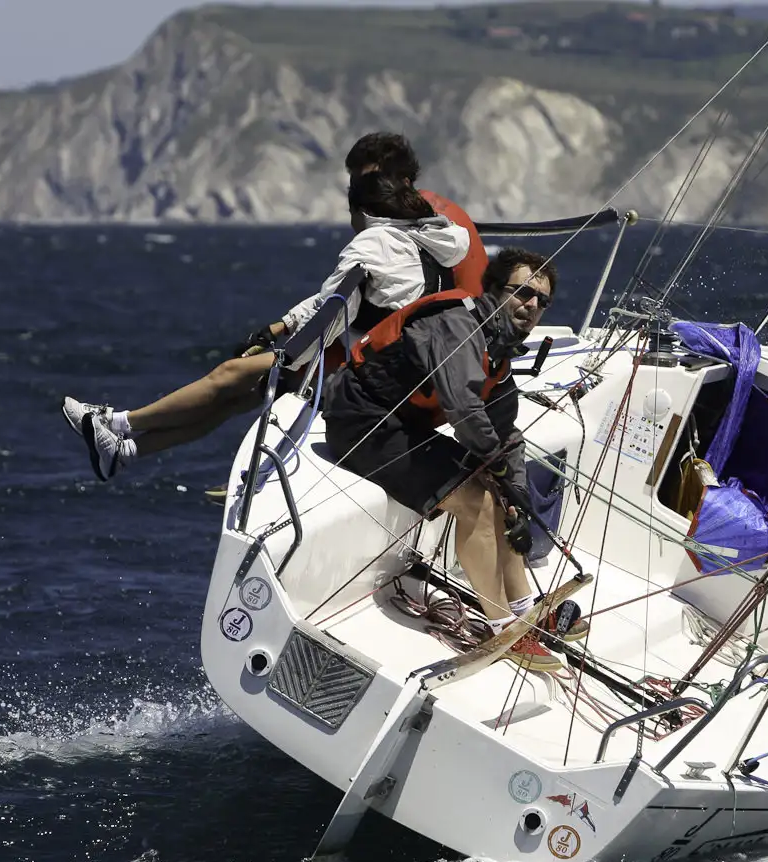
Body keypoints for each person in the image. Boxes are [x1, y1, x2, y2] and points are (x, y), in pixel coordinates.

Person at [61, 171, 469, 480]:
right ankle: (124, 450)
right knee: (239, 395)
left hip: (373, 374)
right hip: (407, 366)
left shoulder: (373, 242)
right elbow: (340, 300)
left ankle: (118, 423)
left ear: (363, 213)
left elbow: (332, 306)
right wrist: (281, 326)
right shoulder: (428, 242)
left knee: (229, 375)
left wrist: (289, 353)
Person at [323, 247, 561, 669]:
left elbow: (505, 434)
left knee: (502, 496)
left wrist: (519, 497)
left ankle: (524, 607)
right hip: (362, 422)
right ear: (493, 290)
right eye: (522, 293)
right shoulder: (458, 325)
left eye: (542, 300)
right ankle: (502, 626)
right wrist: (499, 473)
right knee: (478, 501)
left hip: (405, 426)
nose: (532, 305)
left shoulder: (500, 350)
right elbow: (464, 409)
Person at [342, 132, 488, 295]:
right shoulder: (438, 217)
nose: (359, 194)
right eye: (355, 185)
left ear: (404, 182)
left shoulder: (425, 224)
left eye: (370, 185)